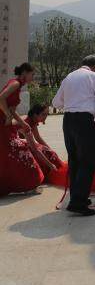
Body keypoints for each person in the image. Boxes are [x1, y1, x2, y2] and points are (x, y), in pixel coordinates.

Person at [52, 55, 95, 216]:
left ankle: (77, 195)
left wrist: (72, 102)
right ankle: (78, 201)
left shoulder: (69, 77)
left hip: (68, 120)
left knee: (74, 160)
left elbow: (56, 103)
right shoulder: (94, 77)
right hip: (84, 121)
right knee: (88, 161)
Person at [0, 63, 44, 194]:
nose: (33, 77)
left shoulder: (17, 85)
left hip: (5, 124)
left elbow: (12, 110)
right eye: (32, 74)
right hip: (2, 124)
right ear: (25, 72)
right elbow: (1, 98)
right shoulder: (15, 83)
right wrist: (7, 115)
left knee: (9, 155)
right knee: (19, 151)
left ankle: (22, 184)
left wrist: (22, 123)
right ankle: (29, 184)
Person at [22, 103, 63, 178]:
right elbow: (35, 149)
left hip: (23, 143)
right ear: (35, 115)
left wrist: (51, 150)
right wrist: (50, 165)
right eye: (43, 114)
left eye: (47, 114)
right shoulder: (26, 123)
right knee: (41, 151)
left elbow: (38, 138)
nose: (46, 117)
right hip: (10, 145)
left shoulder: (33, 121)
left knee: (47, 151)